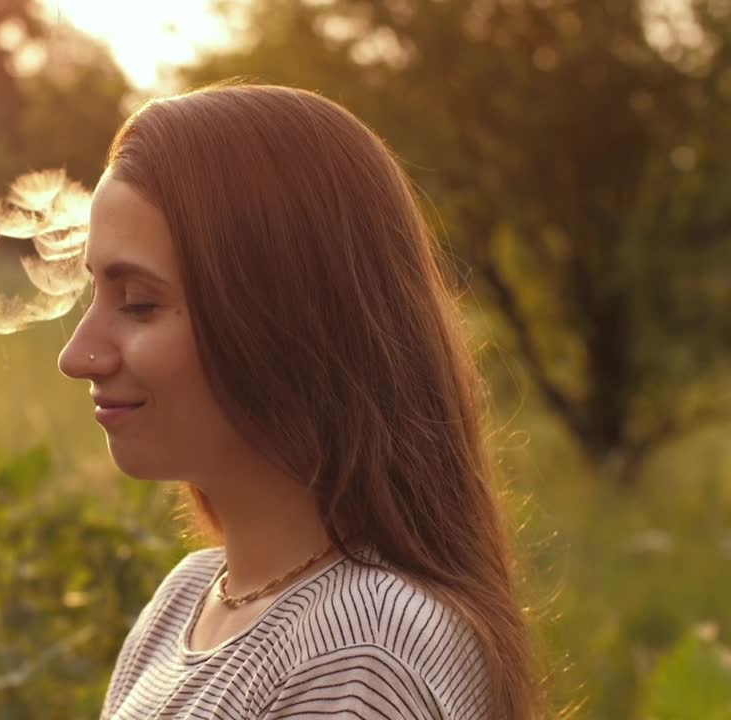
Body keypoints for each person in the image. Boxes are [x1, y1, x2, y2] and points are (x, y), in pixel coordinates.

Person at [57, 83, 538, 720]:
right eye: (93, 291)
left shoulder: (360, 653)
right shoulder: (187, 600)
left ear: (284, 318)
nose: (77, 355)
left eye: (139, 304)